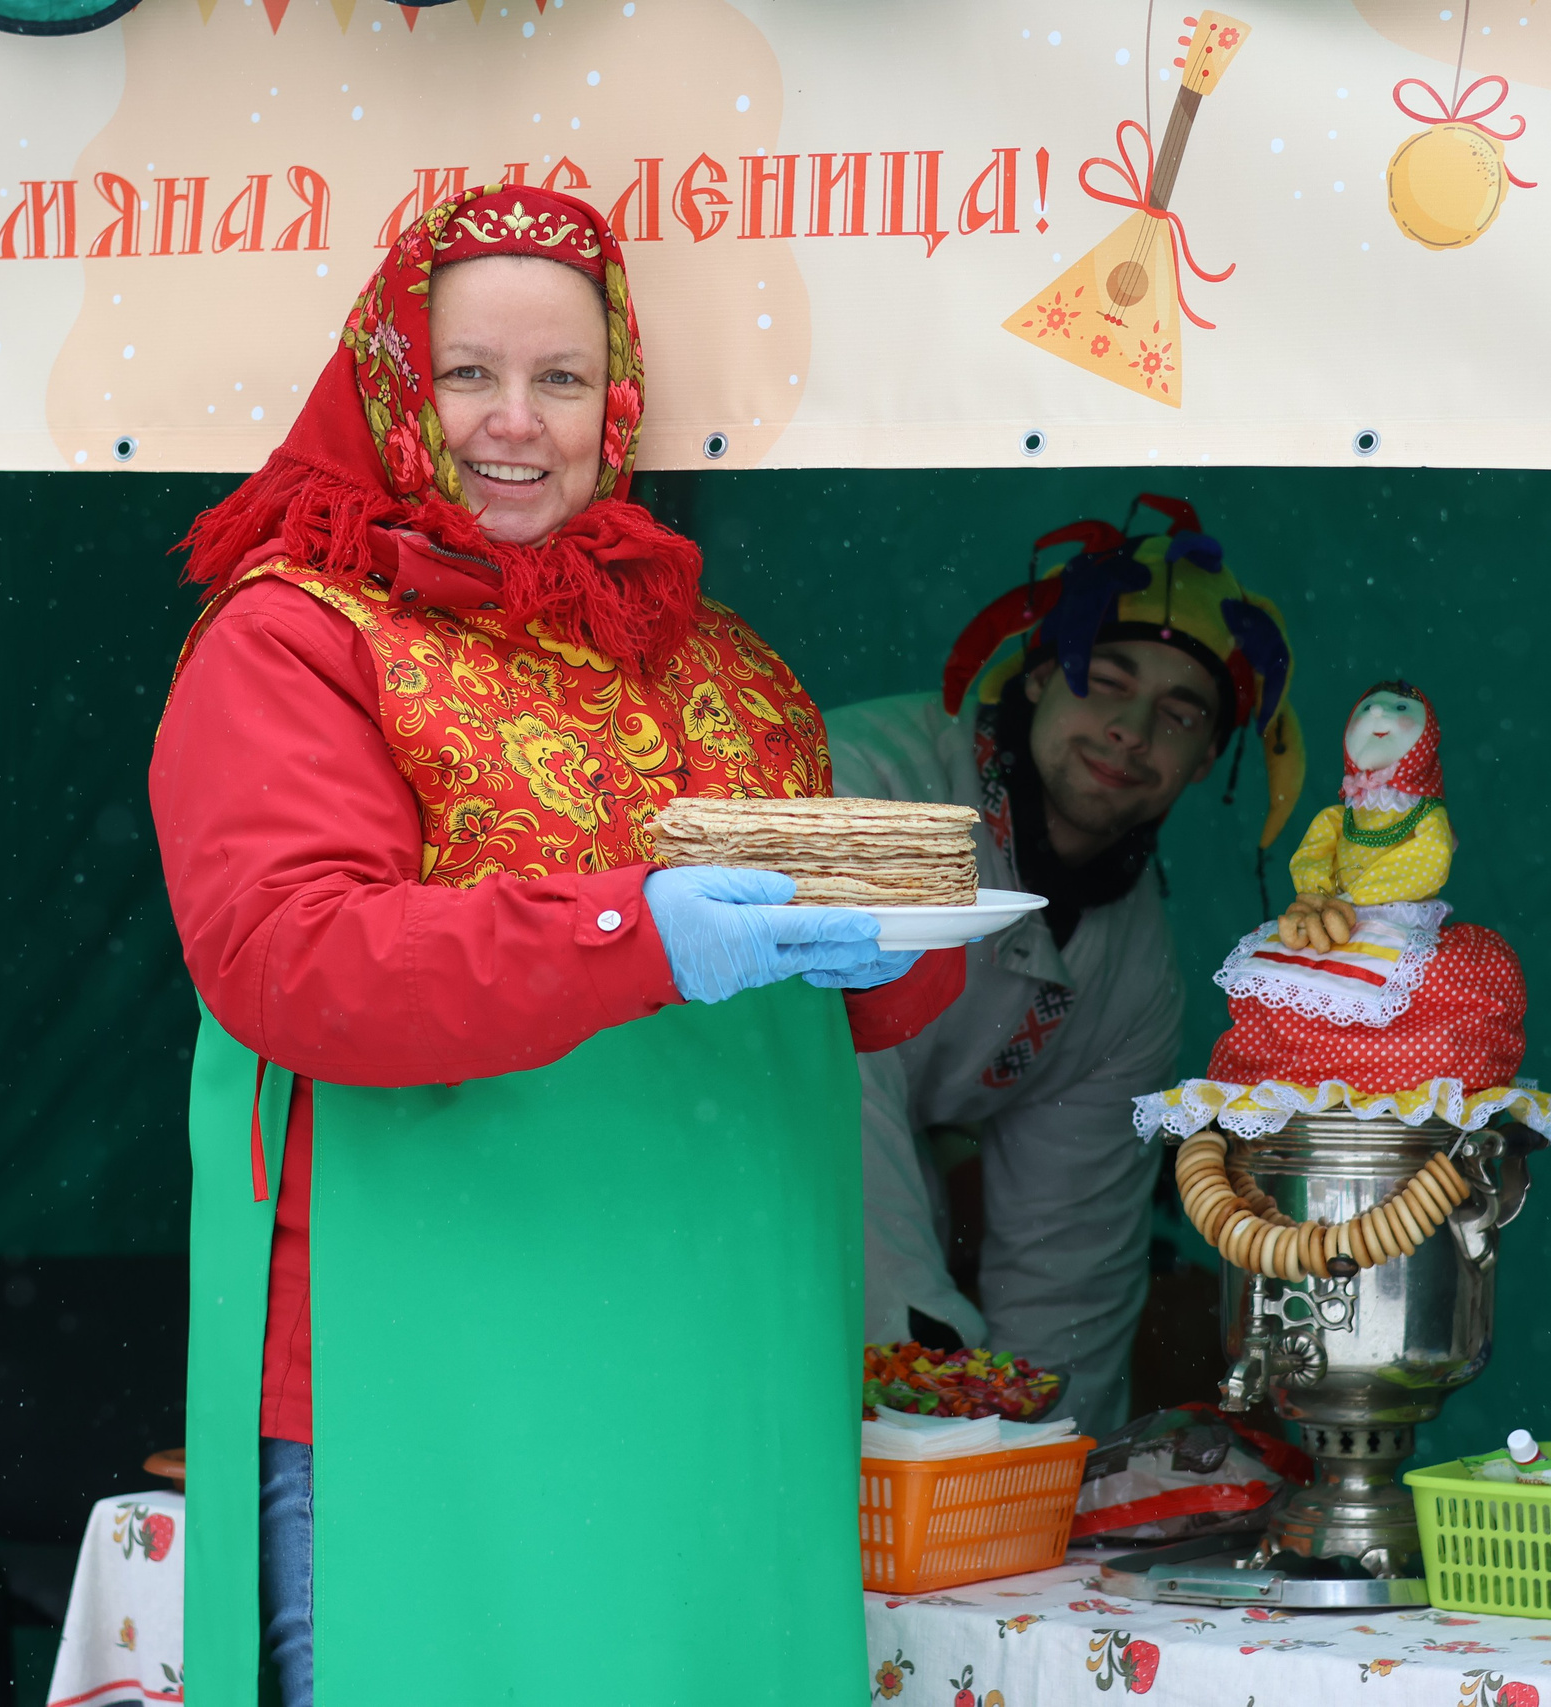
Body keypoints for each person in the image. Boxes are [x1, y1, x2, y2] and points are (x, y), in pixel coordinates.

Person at [148, 183, 959, 1706]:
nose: (513, 422)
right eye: (469, 373)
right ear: (394, 379)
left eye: (561, 380)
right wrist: (625, 931)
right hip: (429, 1386)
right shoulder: (296, 636)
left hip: (709, 1377)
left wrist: (897, 942)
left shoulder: (717, 660)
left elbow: (879, 988)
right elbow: (294, 958)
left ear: (619, 400)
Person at [837, 499, 1303, 1438]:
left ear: (1208, 756)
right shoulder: (871, 790)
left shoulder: (1137, 973)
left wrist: (1048, 1465)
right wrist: (922, 1366)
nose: (1132, 729)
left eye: (1179, 713)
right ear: (1042, 676)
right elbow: (828, 1095)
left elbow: (1070, 1260)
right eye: (1107, 678)